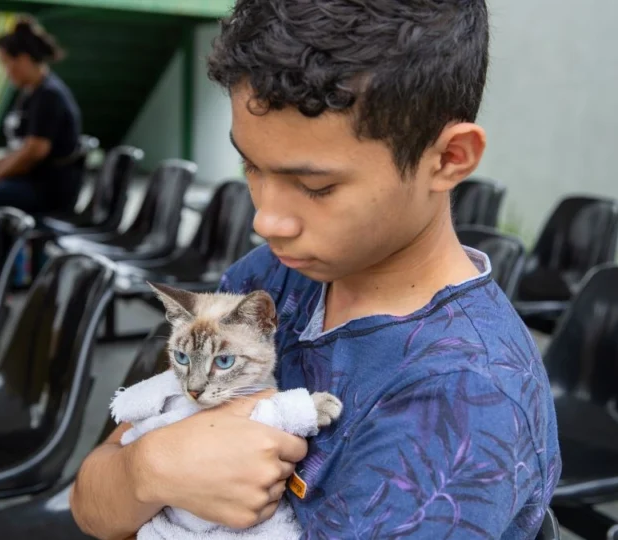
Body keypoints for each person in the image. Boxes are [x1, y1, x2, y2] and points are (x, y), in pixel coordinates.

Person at [69, 1, 561, 539]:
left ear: (447, 159)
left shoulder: (461, 397)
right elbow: (93, 501)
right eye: (250, 166)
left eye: (315, 187)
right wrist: (148, 468)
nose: (266, 220)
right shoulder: (270, 276)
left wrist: (147, 478)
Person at [0, 17, 82, 214]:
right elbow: (20, 148)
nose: (6, 72)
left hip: (46, 189)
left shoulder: (49, 95)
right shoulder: (31, 93)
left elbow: (33, 153)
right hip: (30, 181)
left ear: (23, 59)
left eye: (6, 63)